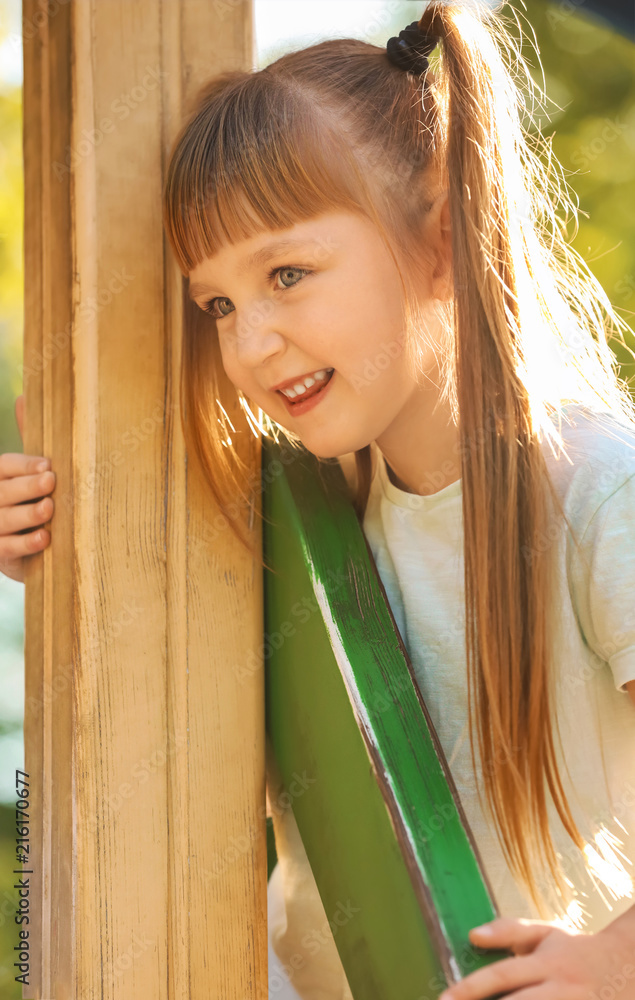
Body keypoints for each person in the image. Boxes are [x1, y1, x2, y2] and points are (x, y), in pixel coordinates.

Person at [3, 2, 635, 998]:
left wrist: (612, 962)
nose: (249, 343)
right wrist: (44, 524)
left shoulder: (601, 495)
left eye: (286, 274)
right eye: (217, 305)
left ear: (442, 233)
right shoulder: (306, 509)